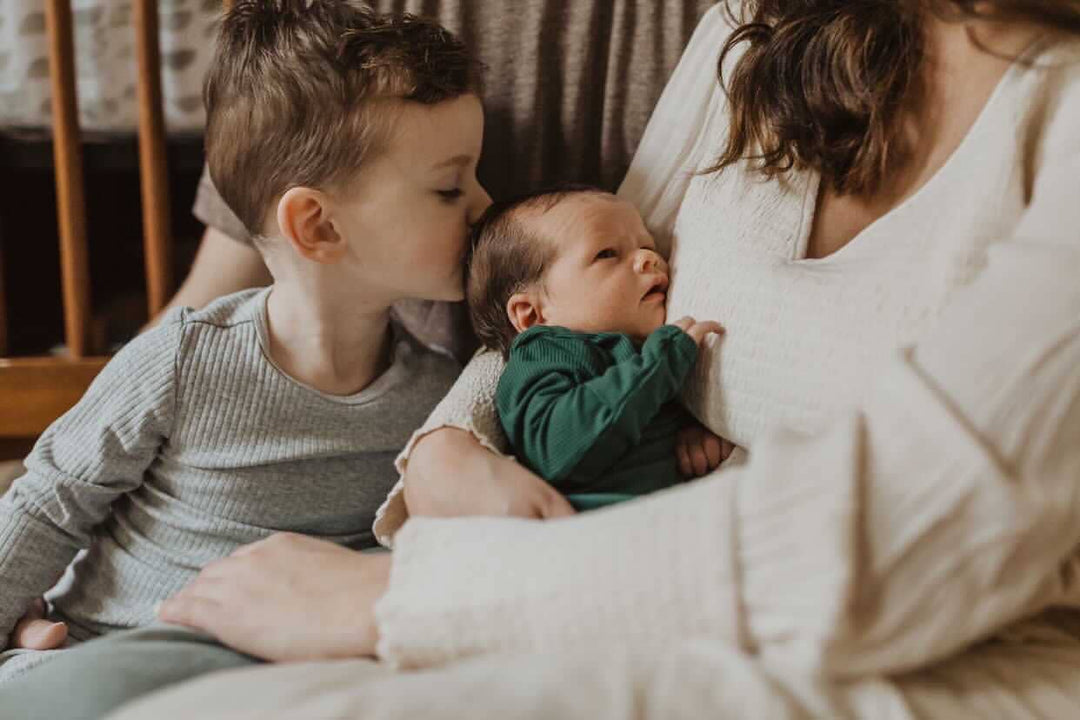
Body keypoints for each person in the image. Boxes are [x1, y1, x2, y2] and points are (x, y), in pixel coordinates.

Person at [10, 0, 1080, 717]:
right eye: (450, 191)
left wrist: (394, 600)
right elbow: (566, 278)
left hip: (888, 640)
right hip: (538, 569)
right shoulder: (756, 33)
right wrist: (447, 444)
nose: (481, 215)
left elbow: (907, 538)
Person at [0, 0, 487, 686]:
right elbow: (48, 503)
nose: (484, 205)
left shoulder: (438, 396)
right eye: (448, 187)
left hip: (266, 676)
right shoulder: (181, 363)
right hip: (111, 651)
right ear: (317, 226)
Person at [464, 187, 729, 513]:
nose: (649, 259)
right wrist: (658, 365)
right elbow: (559, 449)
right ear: (533, 315)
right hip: (588, 531)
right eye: (606, 254)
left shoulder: (639, 350)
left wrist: (689, 437)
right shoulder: (544, 355)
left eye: (647, 246)